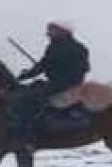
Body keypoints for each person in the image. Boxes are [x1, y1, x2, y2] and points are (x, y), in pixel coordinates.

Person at [7, 21, 91, 149]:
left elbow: (81, 70)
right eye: (49, 30)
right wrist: (26, 75)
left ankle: (28, 136)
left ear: (63, 31)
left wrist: (59, 79)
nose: (48, 34)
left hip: (68, 85)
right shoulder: (53, 47)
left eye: (52, 30)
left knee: (28, 98)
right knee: (24, 92)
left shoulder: (77, 48)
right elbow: (43, 65)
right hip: (54, 82)